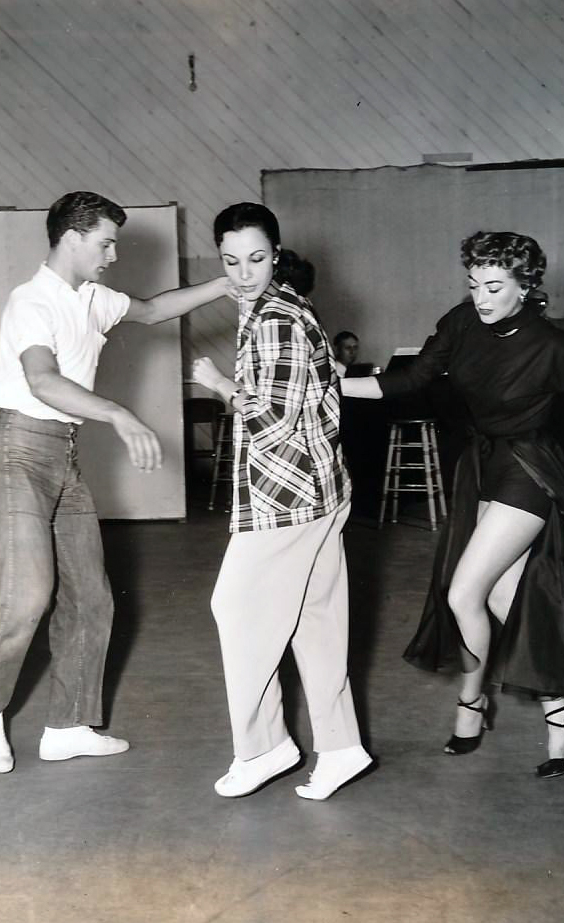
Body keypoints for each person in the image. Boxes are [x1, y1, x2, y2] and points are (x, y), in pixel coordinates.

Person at [341, 230, 564, 778]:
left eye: (494, 286)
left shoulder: (551, 345)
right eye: (474, 285)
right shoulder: (463, 322)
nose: (482, 297)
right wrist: (329, 387)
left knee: (463, 590)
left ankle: (472, 703)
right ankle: (562, 717)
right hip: (485, 466)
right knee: (504, 600)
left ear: (525, 286)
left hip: (531, 472)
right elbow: (413, 379)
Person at [0, 191, 230, 773]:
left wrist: (224, 286)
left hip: (63, 453)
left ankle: (67, 726)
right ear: (72, 237)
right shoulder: (30, 301)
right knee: (29, 594)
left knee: (91, 597)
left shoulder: (93, 299)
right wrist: (117, 412)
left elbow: (156, 310)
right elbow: (41, 381)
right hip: (17, 451)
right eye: (105, 242)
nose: (112, 254)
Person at [192, 202, 371, 800]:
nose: (244, 273)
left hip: (287, 495)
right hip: (317, 490)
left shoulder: (275, 318)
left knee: (235, 609)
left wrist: (217, 384)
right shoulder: (278, 307)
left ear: (276, 254)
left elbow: (271, 419)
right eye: (232, 261)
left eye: (257, 259)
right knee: (315, 621)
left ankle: (265, 747)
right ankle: (342, 747)